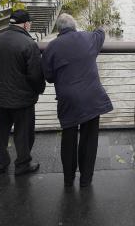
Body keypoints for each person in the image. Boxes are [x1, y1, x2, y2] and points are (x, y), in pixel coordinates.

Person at [42, 13, 113, 188]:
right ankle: (86, 180)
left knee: (69, 138)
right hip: (91, 97)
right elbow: (100, 33)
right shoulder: (88, 38)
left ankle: (68, 179)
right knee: (89, 139)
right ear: (75, 26)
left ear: (58, 29)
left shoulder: (51, 47)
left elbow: (49, 77)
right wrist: (102, 27)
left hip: (68, 99)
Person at [0, 9, 45, 176]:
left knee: (1, 131)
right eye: (30, 23)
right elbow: (35, 74)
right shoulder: (29, 44)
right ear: (26, 24)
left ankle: (2, 162)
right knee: (24, 133)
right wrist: (39, 90)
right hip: (22, 99)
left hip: (1, 96)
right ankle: (22, 164)